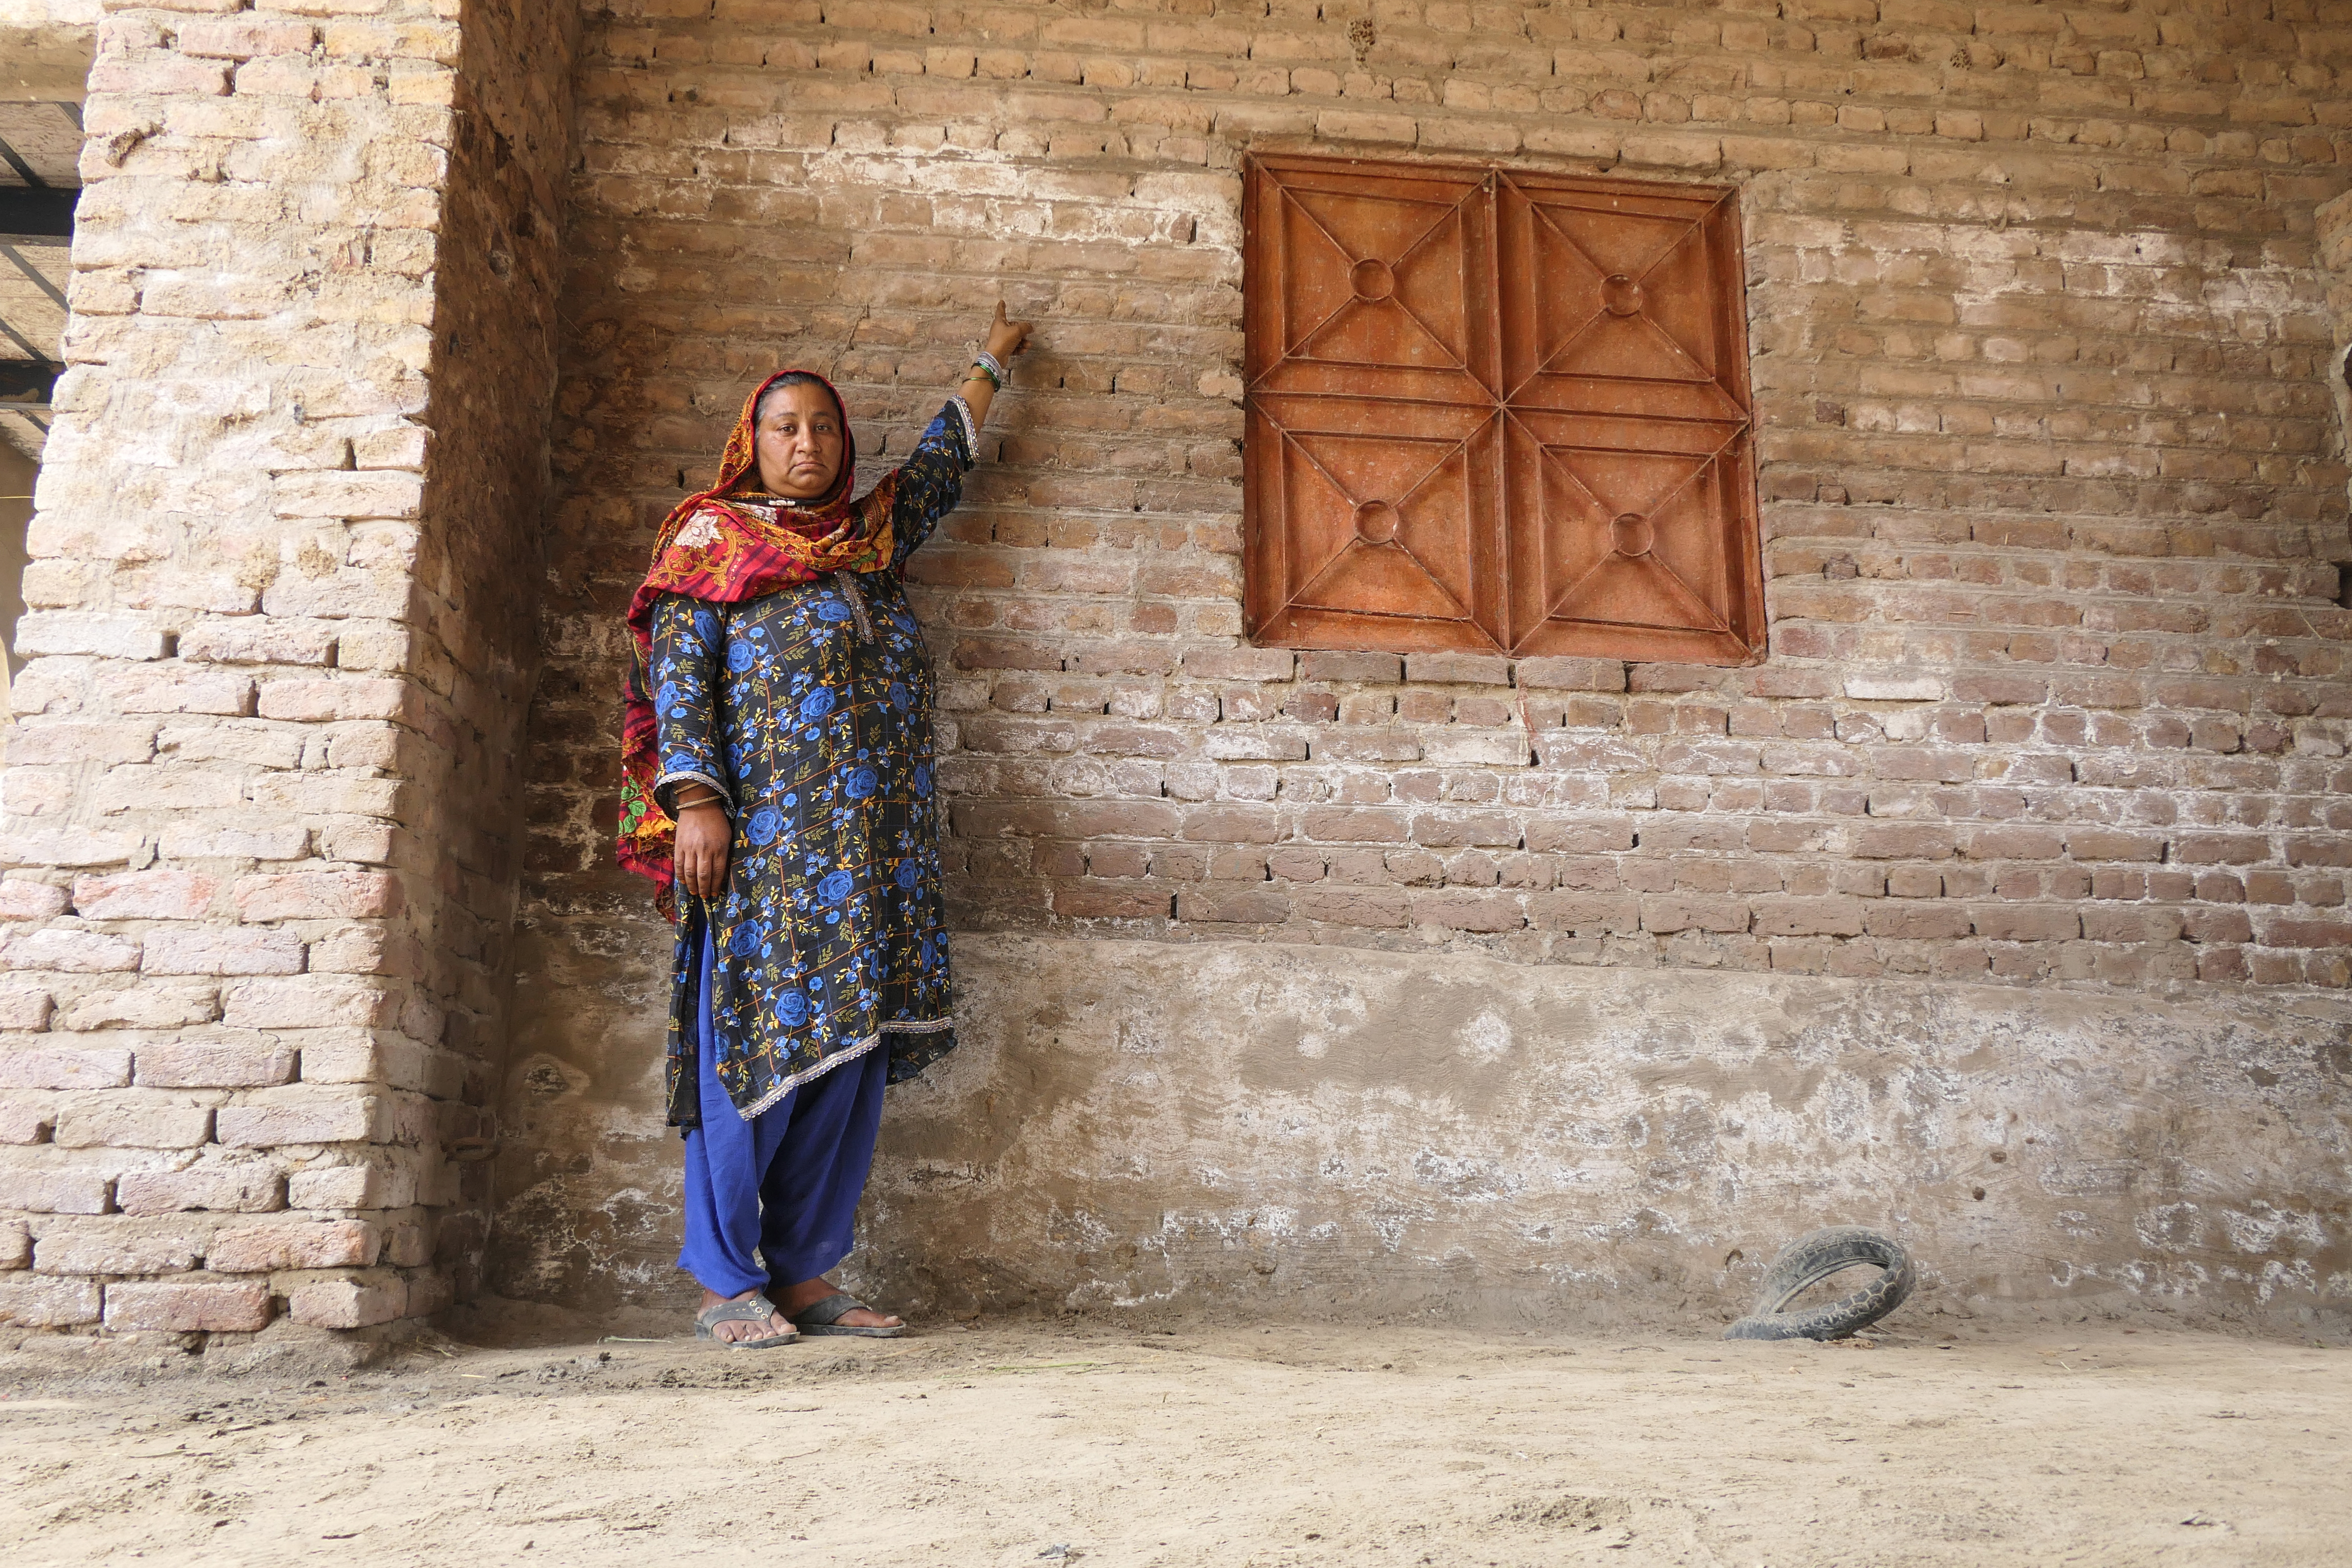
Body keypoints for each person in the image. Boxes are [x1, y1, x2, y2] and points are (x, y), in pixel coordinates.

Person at [615, 305, 1035, 1346]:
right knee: (746, 1052)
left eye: (824, 430)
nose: (807, 446)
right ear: (750, 446)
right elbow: (677, 680)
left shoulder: (866, 545)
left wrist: (992, 363)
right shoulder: (708, 545)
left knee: (846, 1061)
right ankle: (724, 1281)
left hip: (873, 853)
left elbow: (936, 471)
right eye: (785, 429)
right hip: (762, 851)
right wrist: (697, 801)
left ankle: (804, 1273)